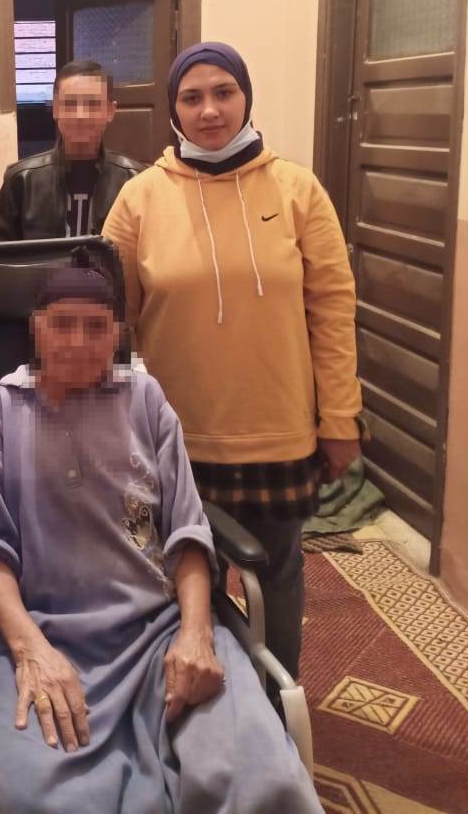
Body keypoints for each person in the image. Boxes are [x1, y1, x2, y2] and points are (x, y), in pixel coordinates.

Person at [0, 263, 321, 814]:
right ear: (36, 329)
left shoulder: (145, 398)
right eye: (62, 324)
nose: (78, 342)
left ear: (117, 335)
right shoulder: (6, 408)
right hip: (42, 634)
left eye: (96, 327)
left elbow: (188, 531)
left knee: (260, 775)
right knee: (31, 796)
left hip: (158, 631)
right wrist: (31, 649)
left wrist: (196, 634)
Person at [103, 41, 362, 683]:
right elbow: (110, 322)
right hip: (174, 435)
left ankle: (275, 703)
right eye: (192, 98)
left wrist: (341, 417)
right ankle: (202, 704)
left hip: (280, 430)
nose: (210, 110)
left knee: (276, 574)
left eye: (224, 93)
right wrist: (111, 425)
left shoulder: (297, 190)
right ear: (174, 110)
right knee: (180, 580)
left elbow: (332, 311)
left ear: (246, 97)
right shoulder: (139, 199)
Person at [0, 59, 144, 240]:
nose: (80, 115)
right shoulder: (21, 180)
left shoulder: (135, 181)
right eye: (70, 103)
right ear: (55, 109)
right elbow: (0, 252)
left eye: (92, 104)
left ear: (110, 110)